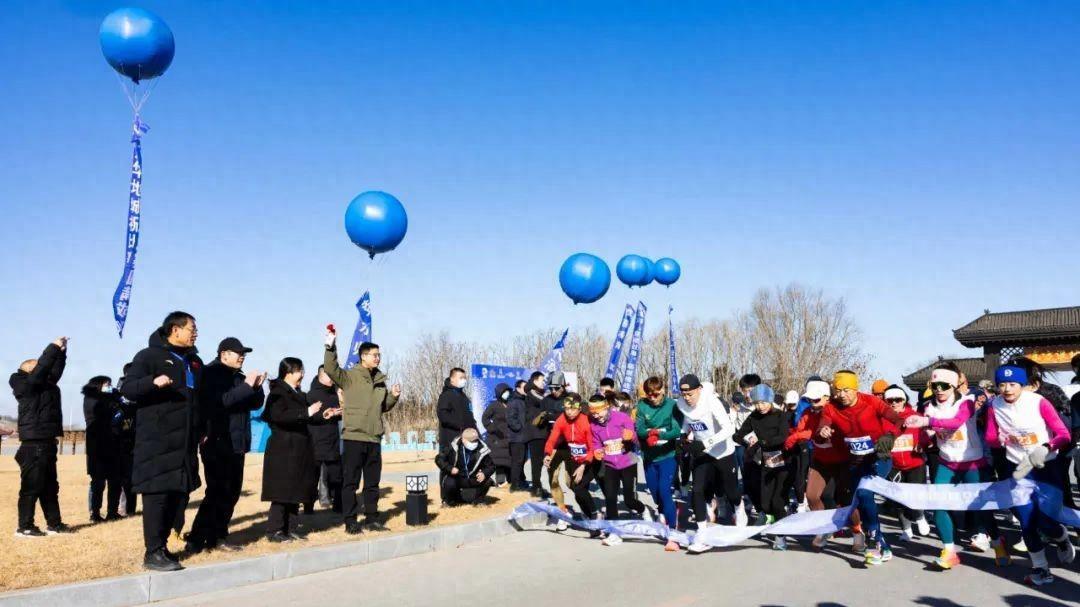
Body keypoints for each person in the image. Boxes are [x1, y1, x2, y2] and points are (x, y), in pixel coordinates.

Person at [904, 365, 1008, 569]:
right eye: (935, 386)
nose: (939, 390)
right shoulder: (928, 406)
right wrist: (924, 440)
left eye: (944, 385)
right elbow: (928, 431)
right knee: (939, 504)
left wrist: (926, 421)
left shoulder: (966, 402)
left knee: (982, 508)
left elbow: (954, 422)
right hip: (947, 463)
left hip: (972, 463)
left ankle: (997, 542)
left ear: (953, 386)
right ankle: (949, 550)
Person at [121, 312, 202, 571]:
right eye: (191, 328)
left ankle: (163, 547)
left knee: (179, 497)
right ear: (174, 330)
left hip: (185, 443)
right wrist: (152, 383)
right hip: (157, 443)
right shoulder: (149, 356)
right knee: (157, 497)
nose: (195, 333)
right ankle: (152, 552)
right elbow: (128, 389)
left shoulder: (192, 362)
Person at [985, 364, 1074, 586]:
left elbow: (1063, 434)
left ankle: (1061, 537)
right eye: (1002, 384)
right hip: (1019, 468)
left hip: (1046, 468)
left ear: (1022, 385)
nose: (1007, 389)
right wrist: (1001, 438)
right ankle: (1041, 569)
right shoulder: (993, 405)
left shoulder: (1038, 402)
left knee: (1046, 521)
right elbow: (990, 437)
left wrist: (1047, 446)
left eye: (1013, 384)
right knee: (1027, 521)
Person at [186, 338, 266, 553]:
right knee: (217, 491)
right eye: (238, 352)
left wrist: (256, 388)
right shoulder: (209, 373)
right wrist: (248, 386)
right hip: (217, 440)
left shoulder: (240, 377)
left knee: (232, 492)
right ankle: (197, 538)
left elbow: (255, 403)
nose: (242, 356)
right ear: (224, 354)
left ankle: (218, 535)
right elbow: (219, 402)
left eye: (244, 353)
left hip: (237, 442)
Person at [817, 370, 902, 565]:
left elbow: (898, 420)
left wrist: (890, 435)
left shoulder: (871, 402)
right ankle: (881, 542)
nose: (842, 395)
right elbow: (823, 423)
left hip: (878, 457)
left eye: (846, 390)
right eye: (838, 390)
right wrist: (823, 429)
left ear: (855, 388)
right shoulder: (831, 408)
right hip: (854, 461)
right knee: (861, 499)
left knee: (864, 493)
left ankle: (873, 542)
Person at [323, 330, 401, 534]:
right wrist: (330, 346)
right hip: (354, 437)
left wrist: (393, 396)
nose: (378, 358)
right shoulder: (349, 377)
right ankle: (350, 520)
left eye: (379, 355)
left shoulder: (380, 381)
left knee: (373, 483)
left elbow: (382, 407)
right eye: (374, 355)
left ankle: (372, 519)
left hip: (374, 437)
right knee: (350, 482)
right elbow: (331, 368)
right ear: (363, 356)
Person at [261, 358, 328, 542]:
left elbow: (305, 418)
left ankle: (289, 528)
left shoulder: (297, 393)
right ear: (288, 373)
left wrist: (323, 415)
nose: (302, 375)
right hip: (283, 449)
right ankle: (274, 530)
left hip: (298, 449)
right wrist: (306, 412)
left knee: (295, 490)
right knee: (282, 492)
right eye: (299, 371)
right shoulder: (277, 393)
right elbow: (278, 416)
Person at [786, 378, 857, 550]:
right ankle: (823, 528)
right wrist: (791, 436)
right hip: (821, 461)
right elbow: (801, 430)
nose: (812, 403)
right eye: (809, 400)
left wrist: (799, 436)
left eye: (816, 400)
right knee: (811, 495)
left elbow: (809, 433)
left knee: (846, 500)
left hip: (842, 461)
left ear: (827, 397)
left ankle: (858, 532)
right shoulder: (808, 413)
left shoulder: (837, 411)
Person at [10, 337, 69, 538]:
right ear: (28, 370)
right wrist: (52, 347)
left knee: (50, 487)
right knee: (31, 488)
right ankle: (25, 526)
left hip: (47, 441)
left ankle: (54, 524)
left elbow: (54, 372)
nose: (43, 371)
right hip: (33, 444)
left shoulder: (45, 385)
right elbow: (40, 372)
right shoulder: (25, 384)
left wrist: (61, 352)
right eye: (37, 367)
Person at [678, 375, 740, 554]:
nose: (687, 398)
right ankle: (702, 533)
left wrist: (706, 443)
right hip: (703, 453)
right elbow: (687, 421)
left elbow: (729, 429)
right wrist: (682, 437)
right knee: (697, 489)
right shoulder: (682, 404)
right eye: (683, 394)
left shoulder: (712, 402)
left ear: (699, 390)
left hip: (722, 451)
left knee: (731, 491)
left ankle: (738, 509)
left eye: (689, 394)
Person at [734, 384, 792, 550]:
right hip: (766, 461)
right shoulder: (754, 416)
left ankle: (781, 537)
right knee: (765, 503)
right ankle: (776, 520)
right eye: (757, 403)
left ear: (770, 400)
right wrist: (746, 442)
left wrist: (762, 442)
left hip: (783, 460)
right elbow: (738, 434)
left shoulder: (780, 415)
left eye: (763, 402)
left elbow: (783, 436)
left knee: (777, 501)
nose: (760, 406)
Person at [586, 394, 644, 546]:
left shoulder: (622, 418)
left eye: (598, 412)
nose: (596, 416)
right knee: (610, 498)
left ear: (606, 407)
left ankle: (642, 510)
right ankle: (615, 533)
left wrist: (631, 436)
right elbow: (596, 443)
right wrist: (597, 451)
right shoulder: (594, 425)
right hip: (610, 465)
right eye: (593, 413)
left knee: (629, 499)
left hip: (628, 462)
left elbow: (637, 441)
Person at [635, 376, 682, 552]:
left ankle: (673, 533)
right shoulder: (642, 405)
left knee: (664, 490)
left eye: (655, 394)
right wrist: (648, 434)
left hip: (667, 456)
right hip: (649, 457)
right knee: (655, 495)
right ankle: (667, 510)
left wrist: (659, 435)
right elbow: (639, 429)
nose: (652, 398)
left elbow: (676, 430)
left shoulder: (672, 405)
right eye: (649, 394)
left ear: (663, 390)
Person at [880, 385, 931, 543]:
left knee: (914, 496)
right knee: (898, 499)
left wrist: (923, 443)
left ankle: (919, 515)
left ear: (904, 400)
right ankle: (906, 529)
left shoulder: (915, 416)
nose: (894, 403)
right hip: (894, 465)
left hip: (915, 462)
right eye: (890, 400)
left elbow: (926, 435)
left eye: (898, 399)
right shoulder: (882, 420)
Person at [543, 392, 599, 534]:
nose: (570, 412)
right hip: (575, 459)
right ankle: (591, 516)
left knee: (582, 488)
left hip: (590, 460)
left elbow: (592, 447)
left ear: (579, 408)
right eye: (567, 409)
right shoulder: (561, 420)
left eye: (573, 409)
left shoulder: (586, 421)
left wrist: (584, 464)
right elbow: (552, 438)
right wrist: (547, 453)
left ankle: (597, 515)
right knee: (578, 489)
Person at [83, 375, 123, 523]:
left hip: (113, 443)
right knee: (98, 481)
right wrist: (115, 400)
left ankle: (112, 511)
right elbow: (101, 414)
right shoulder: (91, 399)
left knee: (115, 480)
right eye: (107, 384)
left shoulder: (111, 398)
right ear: (98, 385)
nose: (109, 387)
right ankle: (94, 512)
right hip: (97, 445)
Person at [307, 367, 344, 512]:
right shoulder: (311, 394)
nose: (332, 378)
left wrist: (339, 409)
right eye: (330, 375)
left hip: (332, 441)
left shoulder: (335, 393)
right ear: (321, 376)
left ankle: (338, 505)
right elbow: (308, 415)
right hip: (315, 441)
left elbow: (342, 412)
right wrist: (324, 414)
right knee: (312, 477)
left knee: (337, 476)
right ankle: (308, 507)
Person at [435, 428, 495, 505]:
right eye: (471, 441)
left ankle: (478, 501)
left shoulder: (482, 448)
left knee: (488, 480)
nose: (474, 443)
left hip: (473, 477)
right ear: (463, 440)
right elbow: (439, 459)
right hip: (457, 477)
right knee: (449, 482)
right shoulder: (453, 447)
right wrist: (450, 468)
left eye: (475, 440)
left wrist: (484, 473)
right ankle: (449, 501)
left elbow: (491, 466)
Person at [541, 372, 571, 512]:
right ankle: (561, 510)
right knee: (553, 480)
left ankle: (586, 508)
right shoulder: (546, 400)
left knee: (572, 482)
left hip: (570, 445)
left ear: (563, 386)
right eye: (551, 388)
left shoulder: (571, 399)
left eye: (556, 388)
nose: (553, 391)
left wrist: (553, 416)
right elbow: (540, 421)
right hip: (552, 445)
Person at [522, 372, 549, 497]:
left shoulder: (538, 393)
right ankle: (536, 488)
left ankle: (538, 486)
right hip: (535, 433)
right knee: (537, 462)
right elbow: (544, 402)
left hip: (542, 432)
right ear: (535, 381)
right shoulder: (532, 392)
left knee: (541, 461)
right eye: (541, 380)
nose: (543, 383)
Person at [481, 383, 513, 487]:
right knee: (499, 461)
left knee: (509, 461)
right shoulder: (494, 405)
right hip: (497, 439)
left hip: (509, 438)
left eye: (508, 391)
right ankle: (500, 481)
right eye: (504, 392)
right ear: (500, 393)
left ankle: (511, 481)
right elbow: (484, 418)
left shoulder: (511, 404)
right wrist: (492, 429)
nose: (507, 394)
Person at [437, 368, 475, 450]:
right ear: (452, 379)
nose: (464, 380)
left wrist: (474, 430)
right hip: (450, 442)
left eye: (465, 378)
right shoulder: (446, 395)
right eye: (461, 378)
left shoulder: (465, 398)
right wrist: (461, 425)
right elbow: (443, 415)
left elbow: (470, 417)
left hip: (466, 440)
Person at [506, 380, 530, 491]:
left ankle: (521, 481)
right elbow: (510, 419)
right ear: (518, 388)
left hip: (524, 437)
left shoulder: (524, 400)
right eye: (524, 387)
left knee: (522, 460)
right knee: (517, 461)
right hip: (516, 437)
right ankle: (515, 485)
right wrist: (520, 428)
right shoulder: (514, 401)